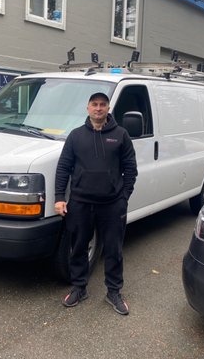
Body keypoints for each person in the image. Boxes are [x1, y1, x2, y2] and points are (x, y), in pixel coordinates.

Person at [54, 92, 137, 315]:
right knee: (79, 247)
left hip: (112, 205)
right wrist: (60, 197)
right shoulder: (75, 136)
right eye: (94, 104)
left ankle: (114, 292)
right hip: (80, 202)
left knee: (113, 249)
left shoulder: (121, 135)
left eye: (103, 105)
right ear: (88, 108)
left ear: (108, 108)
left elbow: (130, 169)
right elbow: (64, 167)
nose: (98, 108)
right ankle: (79, 288)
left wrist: (123, 197)